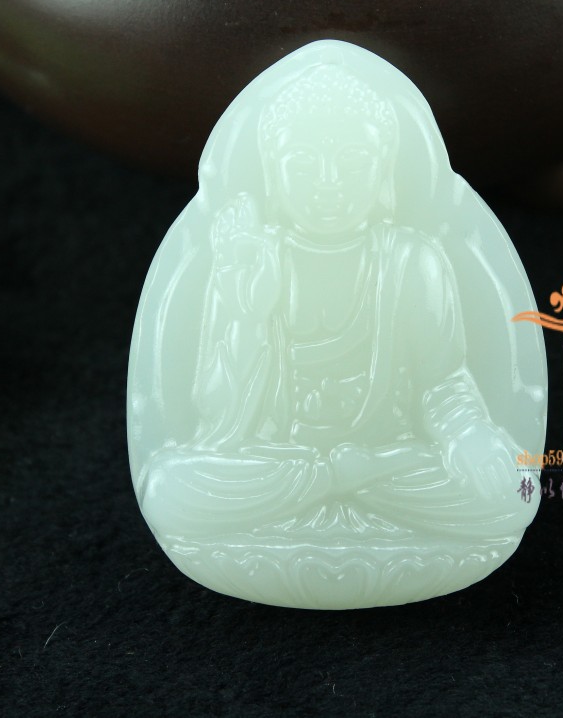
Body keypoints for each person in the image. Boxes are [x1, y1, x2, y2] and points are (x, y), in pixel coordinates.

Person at [139, 63, 533, 545]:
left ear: (383, 169)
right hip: (283, 469)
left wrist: (467, 435)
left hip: (387, 463)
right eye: (303, 165)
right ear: (273, 174)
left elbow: (443, 383)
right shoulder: (251, 258)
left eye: (353, 162)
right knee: (168, 486)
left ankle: (337, 491)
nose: (329, 183)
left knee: (512, 492)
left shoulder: (412, 260)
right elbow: (218, 421)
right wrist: (248, 317)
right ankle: (337, 485)